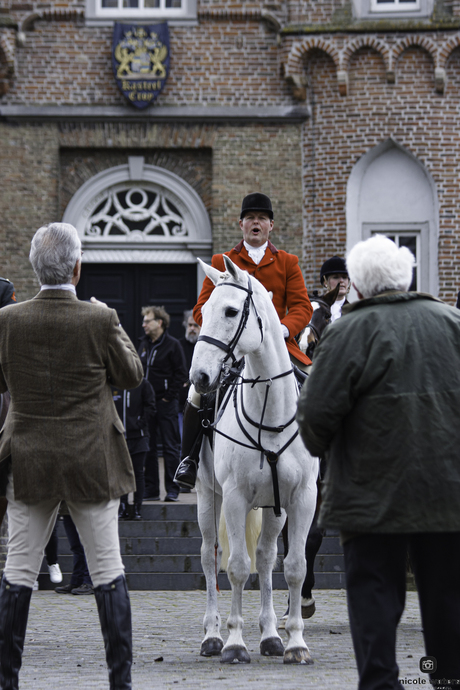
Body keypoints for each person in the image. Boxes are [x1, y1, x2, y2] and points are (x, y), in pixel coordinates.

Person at [296, 234, 460, 690]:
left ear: (360, 288)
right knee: (449, 604)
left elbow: (313, 421)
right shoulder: (453, 322)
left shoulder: (349, 331)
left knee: (374, 602)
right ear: (406, 277)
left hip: (370, 498)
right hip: (448, 494)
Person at [0, 222, 143, 690]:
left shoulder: (7, 320)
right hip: (91, 462)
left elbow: (3, 384)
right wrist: (112, 319)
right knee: (108, 571)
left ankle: (8, 680)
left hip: (29, 459)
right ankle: (119, 683)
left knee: (18, 571)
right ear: (78, 268)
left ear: (34, 268)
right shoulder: (99, 320)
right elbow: (132, 375)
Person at [175, 192, 313, 490]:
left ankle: (319, 464)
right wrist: (224, 331)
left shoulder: (288, 262)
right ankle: (189, 459)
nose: (256, 223)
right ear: (241, 224)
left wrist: (281, 330)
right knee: (198, 394)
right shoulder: (222, 262)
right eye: (250, 218)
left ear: (271, 226)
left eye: (262, 219)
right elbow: (202, 309)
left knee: (317, 386)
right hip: (233, 350)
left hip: (278, 348)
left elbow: (302, 307)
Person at [138, 305, 187, 502]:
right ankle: (151, 489)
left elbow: (181, 373)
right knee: (148, 446)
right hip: (146, 405)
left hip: (166, 403)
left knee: (170, 446)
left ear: (159, 323)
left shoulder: (173, 345)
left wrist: (169, 396)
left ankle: (173, 489)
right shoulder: (142, 344)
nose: (143, 325)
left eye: (147, 321)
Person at [112, 378, 156, 519]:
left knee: (138, 472)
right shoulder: (113, 383)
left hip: (139, 437)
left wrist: (139, 424)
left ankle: (137, 507)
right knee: (121, 472)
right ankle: (122, 507)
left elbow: (151, 406)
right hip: (119, 437)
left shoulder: (143, 383)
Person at [55, 510, 94, 595]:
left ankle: (89, 582)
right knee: (76, 547)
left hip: (85, 506)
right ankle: (77, 581)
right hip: (67, 509)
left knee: (88, 546)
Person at [178, 310, 200, 437]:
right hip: (181, 402)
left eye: (195, 325)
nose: (192, 328)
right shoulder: (178, 345)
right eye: (190, 325)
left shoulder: (207, 347)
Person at [319, 255, 350, 321]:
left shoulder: (353, 311)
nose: (341, 280)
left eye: (344, 277)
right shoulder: (316, 308)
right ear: (325, 282)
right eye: (336, 277)